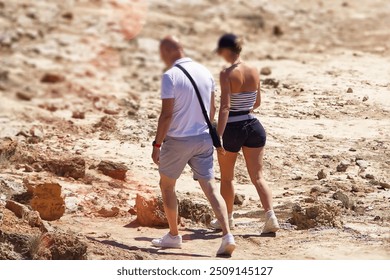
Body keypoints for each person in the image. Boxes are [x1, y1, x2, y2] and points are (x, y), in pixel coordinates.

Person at [151, 35, 236, 256]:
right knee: (210, 188)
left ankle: (173, 235)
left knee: (167, 186)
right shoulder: (205, 72)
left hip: (178, 140)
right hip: (203, 138)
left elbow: (166, 115)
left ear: (167, 51)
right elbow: (213, 110)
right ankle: (227, 235)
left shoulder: (170, 76)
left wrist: (157, 144)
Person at [211, 33, 280, 234]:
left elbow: (225, 107)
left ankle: (228, 219)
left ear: (225, 51)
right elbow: (257, 103)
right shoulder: (254, 70)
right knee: (258, 177)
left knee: (227, 178)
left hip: (232, 127)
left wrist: (219, 137)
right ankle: (271, 217)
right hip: (253, 126)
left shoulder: (226, 73)